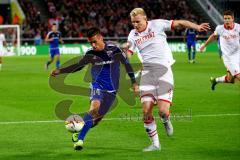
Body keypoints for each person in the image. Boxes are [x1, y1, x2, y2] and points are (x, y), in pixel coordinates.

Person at [126, 8, 210, 152]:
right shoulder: (133, 34)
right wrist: (125, 57)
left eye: (137, 21)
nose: (135, 25)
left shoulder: (157, 25)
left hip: (164, 72)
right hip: (147, 74)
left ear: (145, 18)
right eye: (133, 22)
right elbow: (128, 53)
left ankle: (165, 120)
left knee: (163, 111)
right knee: (146, 111)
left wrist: (197, 27)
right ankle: (155, 144)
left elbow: (180, 23)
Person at [51, 27, 138, 151]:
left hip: (112, 90)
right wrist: (61, 71)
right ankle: (80, 140)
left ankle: (79, 130)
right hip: (97, 86)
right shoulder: (91, 54)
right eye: (90, 43)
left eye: (94, 42)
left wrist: (134, 82)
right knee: (94, 108)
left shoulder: (114, 50)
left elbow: (127, 65)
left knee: (96, 121)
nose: (93, 45)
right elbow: (78, 66)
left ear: (100, 37)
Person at [200, 10, 240, 90]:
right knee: (239, 76)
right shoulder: (220, 28)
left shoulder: (238, 27)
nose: (227, 20)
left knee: (230, 80)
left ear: (233, 19)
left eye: (229, 18)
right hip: (228, 58)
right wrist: (204, 45)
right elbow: (213, 36)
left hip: (238, 54)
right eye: (225, 18)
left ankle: (215, 80)